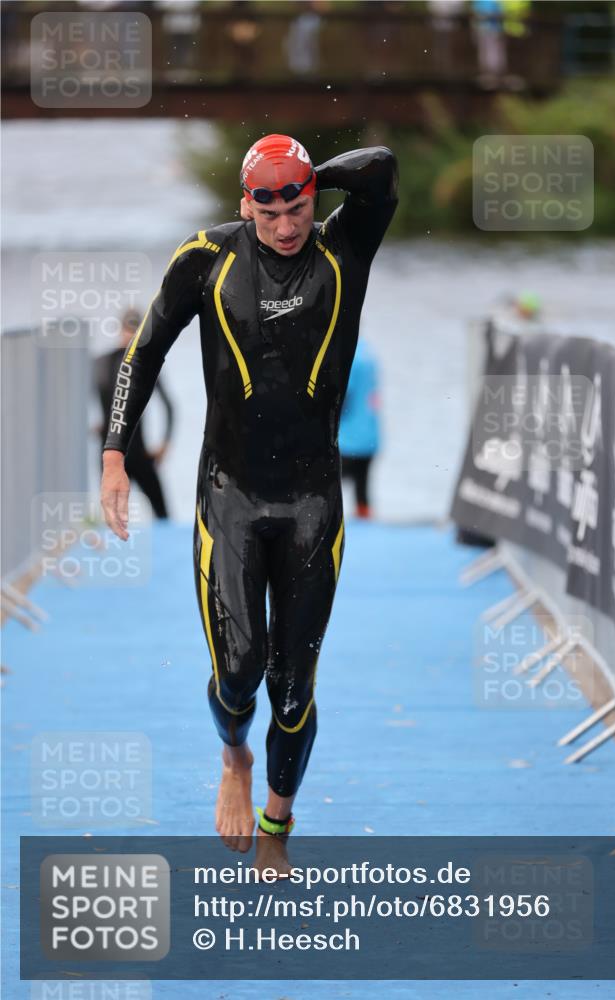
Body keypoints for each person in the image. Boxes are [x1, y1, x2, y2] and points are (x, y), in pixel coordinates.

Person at [101, 134, 398, 874]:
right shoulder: (207, 256)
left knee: (292, 690)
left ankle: (277, 819)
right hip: (228, 496)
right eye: (268, 210)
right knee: (238, 674)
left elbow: (382, 167)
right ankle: (232, 756)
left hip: (311, 503)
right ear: (244, 205)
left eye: (297, 207)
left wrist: (299, 171)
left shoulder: (344, 249)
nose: (287, 226)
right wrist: (113, 455)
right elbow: (145, 355)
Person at [95, 308, 173, 519]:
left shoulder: (100, 362)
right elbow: (169, 406)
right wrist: (165, 443)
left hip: (109, 453)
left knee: (112, 517)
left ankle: (114, 550)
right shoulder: (143, 363)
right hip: (135, 451)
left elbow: (75, 402)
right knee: (162, 514)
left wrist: (96, 426)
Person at [339, 338, 381, 518]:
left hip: (348, 439)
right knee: (362, 487)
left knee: (327, 484)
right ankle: (365, 517)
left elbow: (343, 398)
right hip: (370, 435)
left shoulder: (347, 357)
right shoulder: (367, 353)